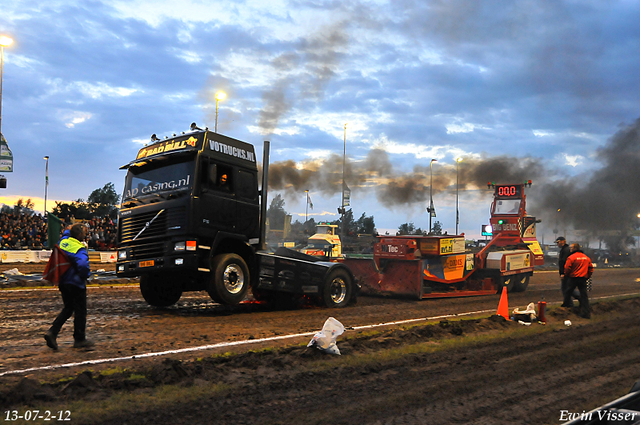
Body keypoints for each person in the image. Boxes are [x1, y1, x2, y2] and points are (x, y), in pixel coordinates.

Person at [44, 224, 94, 350]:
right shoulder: (79, 248)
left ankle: (53, 332)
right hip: (76, 282)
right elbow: (82, 265)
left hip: (62, 280)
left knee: (68, 308)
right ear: (80, 235)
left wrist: (70, 229)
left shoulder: (63, 241)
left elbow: (67, 233)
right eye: (84, 232)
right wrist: (86, 275)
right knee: (80, 311)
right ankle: (79, 339)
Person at [563, 243, 594, 319]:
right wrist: (587, 276)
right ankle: (586, 313)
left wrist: (567, 275)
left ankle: (565, 309)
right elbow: (591, 269)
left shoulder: (571, 257)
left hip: (573, 278)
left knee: (568, 292)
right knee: (584, 295)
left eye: (571, 248)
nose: (570, 249)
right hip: (583, 278)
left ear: (574, 249)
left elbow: (567, 268)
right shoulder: (586, 258)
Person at [556, 236, 575, 307]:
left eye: (558, 242)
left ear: (563, 241)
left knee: (566, 289)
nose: (557, 244)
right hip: (567, 272)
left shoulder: (566, 250)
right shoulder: (565, 250)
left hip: (566, 273)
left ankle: (569, 303)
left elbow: (564, 263)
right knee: (566, 288)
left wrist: (563, 273)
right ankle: (568, 303)